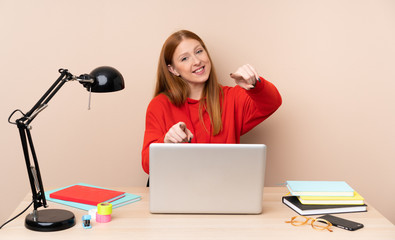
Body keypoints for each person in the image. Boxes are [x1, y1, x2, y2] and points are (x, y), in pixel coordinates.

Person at [141, 30, 282, 174]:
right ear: (173, 70)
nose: (197, 61)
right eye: (184, 59)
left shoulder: (231, 97)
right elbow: (147, 165)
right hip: (179, 191)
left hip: (224, 189)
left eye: (199, 51)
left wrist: (255, 84)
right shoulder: (160, 105)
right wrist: (166, 143)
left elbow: (272, 102)